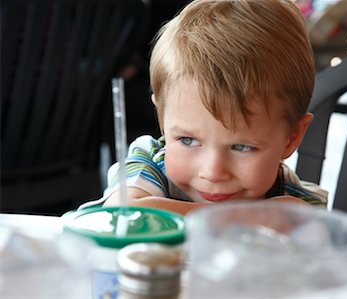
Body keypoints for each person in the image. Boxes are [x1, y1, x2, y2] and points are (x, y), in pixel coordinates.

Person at [80, 0, 327, 215]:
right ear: (161, 117)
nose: (213, 172)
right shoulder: (149, 164)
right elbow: (126, 213)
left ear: (291, 137)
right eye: (187, 140)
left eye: (242, 146)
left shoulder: (295, 203)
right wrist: (249, 220)